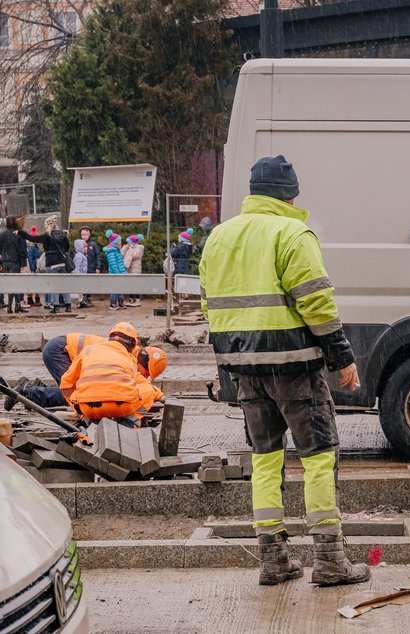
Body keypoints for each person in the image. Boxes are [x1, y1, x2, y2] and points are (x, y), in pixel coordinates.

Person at [199, 155, 368, 587]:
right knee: (318, 457)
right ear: (289, 194)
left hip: (245, 371)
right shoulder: (292, 232)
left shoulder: (219, 237)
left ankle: (273, 560)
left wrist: (230, 363)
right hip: (294, 367)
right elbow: (315, 300)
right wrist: (342, 356)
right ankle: (329, 561)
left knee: (266, 459)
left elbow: (208, 305)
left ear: (254, 192)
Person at [59, 323, 164, 427]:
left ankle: (89, 421)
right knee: (149, 391)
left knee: (74, 391)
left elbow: (66, 383)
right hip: (121, 407)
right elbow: (143, 383)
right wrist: (159, 395)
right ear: (132, 345)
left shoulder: (88, 350)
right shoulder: (129, 358)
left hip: (89, 408)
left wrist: (76, 407)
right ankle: (130, 422)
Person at [24, 216, 71, 313]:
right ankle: (68, 305)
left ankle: (56, 306)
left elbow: (32, 238)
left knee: (54, 286)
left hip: (52, 263)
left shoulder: (47, 236)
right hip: (63, 263)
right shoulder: (62, 234)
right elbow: (67, 247)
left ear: (48, 225)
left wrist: (21, 232)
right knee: (65, 285)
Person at [0, 215, 27, 313]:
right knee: (14, 285)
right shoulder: (19, 235)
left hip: (5, 262)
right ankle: (10, 306)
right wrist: (24, 265)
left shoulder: (2, 235)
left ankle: (17, 305)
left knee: (11, 285)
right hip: (15, 262)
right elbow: (22, 251)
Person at [79, 226, 102, 308]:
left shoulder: (93, 244)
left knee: (89, 285)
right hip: (82, 269)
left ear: (89, 234)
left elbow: (98, 256)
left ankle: (88, 298)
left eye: (85, 234)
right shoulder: (79, 245)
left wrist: (98, 267)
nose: (84, 236)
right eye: (82, 235)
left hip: (91, 268)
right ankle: (83, 299)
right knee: (82, 284)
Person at [103, 230, 126, 310]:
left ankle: (121, 302)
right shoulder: (111, 251)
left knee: (120, 287)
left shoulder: (116, 250)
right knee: (114, 288)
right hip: (115, 273)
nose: (121, 242)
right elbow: (113, 263)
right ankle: (112, 303)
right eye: (120, 241)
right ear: (116, 242)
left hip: (119, 272)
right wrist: (117, 273)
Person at [122, 234, 145, 307]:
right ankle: (131, 299)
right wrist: (125, 247)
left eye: (129, 242)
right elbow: (121, 254)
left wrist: (131, 249)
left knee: (136, 284)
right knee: (130, 284)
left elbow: (135, 255)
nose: (128, 243)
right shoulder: (129, 247)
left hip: (136, 268)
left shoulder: (140, 248)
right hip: (129, 268)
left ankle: (137, 300)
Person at [26, 226, 42, 307]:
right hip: (34, 269)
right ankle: (35, 299)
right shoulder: (33, 248)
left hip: (33, 268)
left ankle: (30, 299)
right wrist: (33, 269)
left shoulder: (31, 247)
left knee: (31, 284)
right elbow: (31, 259)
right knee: (35, 284)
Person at [72, 239, 87, 308]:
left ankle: (80, 301)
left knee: (81, 289)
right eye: (84, 247)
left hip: (82, 275)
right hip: (79, 275)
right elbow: (77, 267)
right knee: (78, 290)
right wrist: (77, 275)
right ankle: (78, 302)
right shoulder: (79, 256)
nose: (86, 249)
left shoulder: (81, 255)